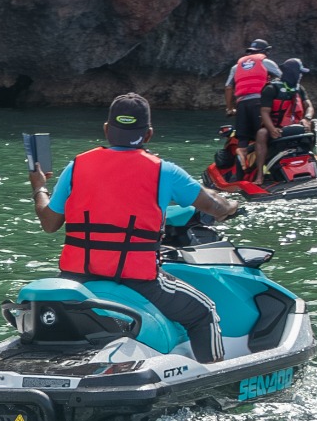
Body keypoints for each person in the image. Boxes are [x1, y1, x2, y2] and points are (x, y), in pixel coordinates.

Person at [30, 93, 241, 361]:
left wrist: (39, 187)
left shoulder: (77, 166)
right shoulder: (164, 171)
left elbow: (49, 223)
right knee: (204, 312)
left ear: (106, 130)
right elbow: (215, 206)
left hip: (77, 276)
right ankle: (213, 382)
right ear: (149, 134)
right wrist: (231, 206)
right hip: (138, 280)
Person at [226, 39, 282, 179]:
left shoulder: (236, 67)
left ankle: (242, 158)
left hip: (242, 105)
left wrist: (229, 108)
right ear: (264, 52)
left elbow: (228, 87)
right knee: (262, 136)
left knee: (243, 139)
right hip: (259, 103)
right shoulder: (266, 62)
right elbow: (284, 79)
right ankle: (263, 172)